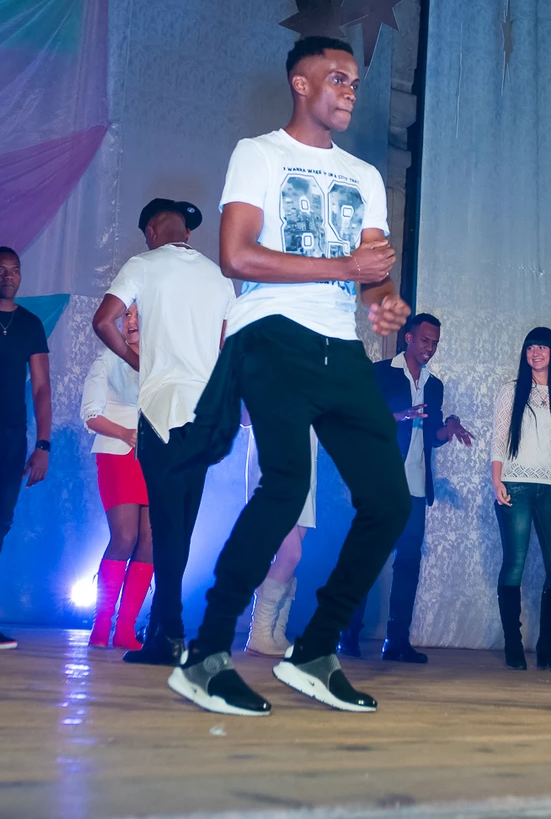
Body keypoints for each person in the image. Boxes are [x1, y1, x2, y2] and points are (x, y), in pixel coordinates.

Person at [166, 36, 412, 716]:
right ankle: (206, 655)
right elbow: (236, 256)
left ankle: (314, 651)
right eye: (337, 79)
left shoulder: (364, 176)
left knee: (388, 501)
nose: (350, 91)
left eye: (355, 82)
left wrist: (383, 301)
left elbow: (370, 271)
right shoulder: (260, 154)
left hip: (341, 346)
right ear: (300, 84)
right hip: (271, 334)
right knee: (285, 488)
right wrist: (346, 270)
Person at [92, 198, 234, 666]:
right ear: (187, 234)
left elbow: (103, 320)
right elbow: (229, 348)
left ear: (151, 231)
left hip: (163, 412)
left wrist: (137, 360)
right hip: (207, 417)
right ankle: (164, 628)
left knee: (166, 528)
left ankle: (168, 633)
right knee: (181, 529)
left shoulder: (143, 265)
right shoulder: (219, 277)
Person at [341, 313, 472, 664]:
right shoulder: (381, 373)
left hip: (414, 485)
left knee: (408, 563)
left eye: (435, 343)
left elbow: (432, 436)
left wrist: (448, 429)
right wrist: (399, 416)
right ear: (409, 338)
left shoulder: (434, 385)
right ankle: (347, 635)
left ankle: (397, 642)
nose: (430, 348)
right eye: (425, 340)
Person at [0, 247, 51, 648]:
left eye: (13, 269)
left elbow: (41, 387)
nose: (7, 276)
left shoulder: (30, 323)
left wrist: (43, 444)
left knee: (1, 520)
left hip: (13, 434)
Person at [490, 326, 551, 672]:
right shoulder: (511, 391)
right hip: (516, 486)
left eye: (542, 347)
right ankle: (513, 643)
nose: (535, 352)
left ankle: (547, 648)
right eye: (530, 347)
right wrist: (497, 480)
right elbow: (499, 440)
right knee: (515, 563)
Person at [79, 305, 153, 650]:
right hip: (117, 454)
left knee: (150, 541)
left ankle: (126, 628)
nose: (131, 321)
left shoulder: (163, 362)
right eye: (127, 315)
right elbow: (90, 415)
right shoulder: (107, 359)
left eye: (139, 314)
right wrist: (125, 433)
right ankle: (101, 623)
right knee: (124, 537)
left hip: (155, 460)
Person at [244, 426, 319, 659]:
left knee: (291, 558)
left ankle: (276, 633)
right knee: (291, 554)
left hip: (303, 466)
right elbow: (245, 417)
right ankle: (259, 633)